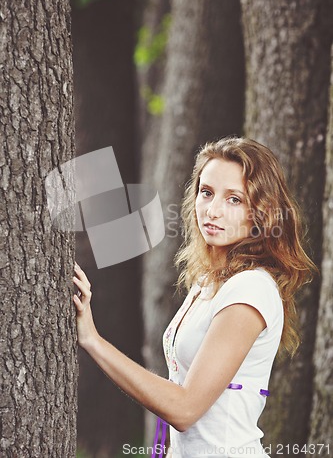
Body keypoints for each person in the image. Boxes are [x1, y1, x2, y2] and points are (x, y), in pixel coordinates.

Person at [73, 136, 316, 458]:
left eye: (234, 199)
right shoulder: (208, 282)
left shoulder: (250, 289)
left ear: (261, 211)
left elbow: (185, 409)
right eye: (207, 193)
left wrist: (92, 339)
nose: (213, 210)